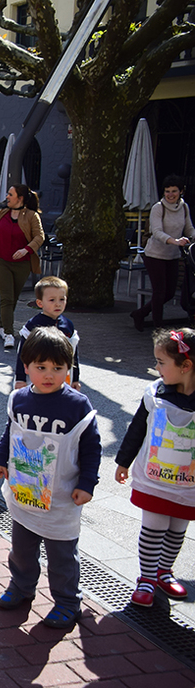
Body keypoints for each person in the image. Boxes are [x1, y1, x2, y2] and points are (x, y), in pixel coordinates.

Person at [0, 327, 101, 629]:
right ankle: (21, 587)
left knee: (62, 555)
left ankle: (67, 601)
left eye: (58, 368)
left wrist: (87, 483)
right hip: (25, 493)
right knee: (22, 550)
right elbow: (11, 432)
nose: (49, 375)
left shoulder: (78, 405)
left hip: (62, 497)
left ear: (69, 368)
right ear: (26, 367)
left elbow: (92, 448)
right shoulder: (19, 399)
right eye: (41, 367)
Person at [115, 328, 195, 607]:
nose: (156, 368)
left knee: (177, 529)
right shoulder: (155, 394)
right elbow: (137, 427)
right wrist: (123, 461)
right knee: (154, 527)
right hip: (154, 479)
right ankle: (147, 578)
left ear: (186, 366)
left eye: (161, 362)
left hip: (188, 484)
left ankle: (164, 571)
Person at [0, 184, 46, 349]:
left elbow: (39, 237)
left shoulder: (31, 216)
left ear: (20, 198)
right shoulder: (2, 213)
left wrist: (26, 249)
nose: (7, 197)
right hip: (1, 261)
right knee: (7, 297)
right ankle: (8, 333)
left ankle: (2, 325)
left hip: (22, 264)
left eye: (10, 194)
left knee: (12, 297)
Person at [130, 176, 193, 331]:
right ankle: (159, 328)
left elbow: (189, 229)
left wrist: (191, 237)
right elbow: (157, 232)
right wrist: (175, 241)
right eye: (167, 191)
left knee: (170, 293)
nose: (170, 195)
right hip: (155, 255)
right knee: (159, 292)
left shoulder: (184, 207)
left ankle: (140, 313)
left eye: (174, 191)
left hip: (172, 256)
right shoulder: (158, 208)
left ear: (181, 191)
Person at [15, 276, 80, 391]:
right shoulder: (33, 325)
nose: (58, 304)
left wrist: (75, 378)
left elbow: (73, 354)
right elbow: (22, 354)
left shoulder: (68, 325)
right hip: (38, 379)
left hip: (62, 378)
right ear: (40, 303)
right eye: (52, 300)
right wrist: (20, 379)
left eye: (62, 299)